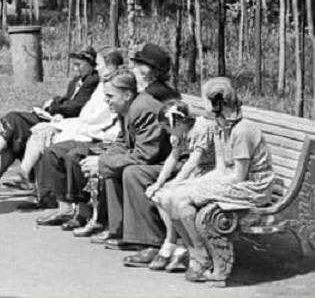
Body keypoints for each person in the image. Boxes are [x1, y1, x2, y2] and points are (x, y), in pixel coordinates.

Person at [158, 77, 277, 285]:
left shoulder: (242, 130)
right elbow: (221, 169)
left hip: (253, 186)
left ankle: (203, 257)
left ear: (216, 104)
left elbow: (239, 176)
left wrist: (198, 188)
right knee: (171, 194)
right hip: (233, 180)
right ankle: (195, 251)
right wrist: (189, 184)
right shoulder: (221, 128)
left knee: (183, 199)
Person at [0, 44, 101, 197]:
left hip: (67, 122)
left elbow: (76, 106)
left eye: (79, 65)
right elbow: (66, 100)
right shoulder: (76, 81)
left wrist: (53, 106)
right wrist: (54, 102)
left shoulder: (93, 81)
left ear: (90, 64)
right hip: (57, 117)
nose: (76, 68)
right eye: (74, 64)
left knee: (14, 119)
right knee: (14, 133)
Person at [17, 47, 124, 208]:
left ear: (110, 66)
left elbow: (96, 119)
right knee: (40, 132)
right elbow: (86, 113)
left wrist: (60, 123)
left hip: (95, 134)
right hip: (83, 126)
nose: (97, 68)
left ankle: (51, 196)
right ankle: (39, 189)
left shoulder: (110, 85)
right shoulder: (99, 84)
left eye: (99, 64)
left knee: (49, 142)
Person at [89, 59, 171, 251]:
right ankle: (119, 229)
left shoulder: (142, 109)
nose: (106, 101)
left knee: (133, 172)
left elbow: (145, 155)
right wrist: (103, 160)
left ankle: (149, 241)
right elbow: (122, 142)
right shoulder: (126, 108)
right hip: (153, 159)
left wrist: (103, 163)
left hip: (171, 163)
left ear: (127, 94)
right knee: (111, 166)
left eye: (110, 96)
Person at [127, 100, 216, 270]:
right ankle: (173, 240)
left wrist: (177, 182)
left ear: (179, 122)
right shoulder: (178, 133)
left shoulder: (201, 129)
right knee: (159, 194)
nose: (167, 131)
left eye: (168, 127)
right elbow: (173, 158)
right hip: (197, 171)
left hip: (210, 171)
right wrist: (159, 183)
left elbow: (192, 162)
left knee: (173, 194)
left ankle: (176, 243)